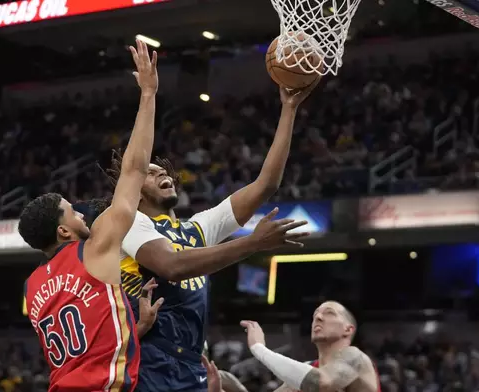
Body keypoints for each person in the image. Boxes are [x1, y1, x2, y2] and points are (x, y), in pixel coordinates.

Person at [97, 78, 321, 392]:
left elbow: (266, 185)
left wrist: (288, 110)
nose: (161, 172)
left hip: (190, 362)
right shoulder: (130, 223)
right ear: (134, 191)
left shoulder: (196, 228)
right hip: (148, 358)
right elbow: (171, 265)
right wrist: (253, 242)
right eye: (148, 172)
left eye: (161, 170)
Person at [19, 39, 161, 392]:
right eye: (72, 212)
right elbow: (134, 170)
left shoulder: (32, 287)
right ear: (64, 232)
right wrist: (148, 94)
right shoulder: (94, 249)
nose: (81, 213)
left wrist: (132, 327)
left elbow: (80, 343)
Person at [241, 301, 380, 392]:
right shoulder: (306, 369)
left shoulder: (356, 358)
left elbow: (319, 382)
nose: (318, 317)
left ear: (348, 329)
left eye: (329, 313)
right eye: (315, 315)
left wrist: (259, 349)